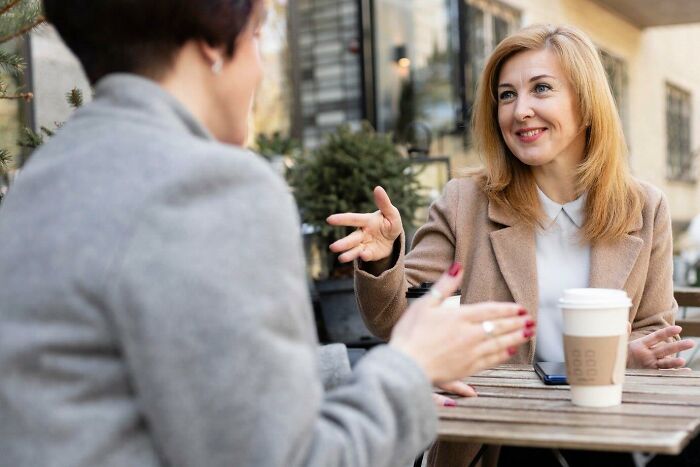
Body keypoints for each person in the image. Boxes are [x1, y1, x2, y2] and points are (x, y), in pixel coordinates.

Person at [0, 1, 535, 466]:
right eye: (257, 35)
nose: (259, 68)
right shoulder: (209, 185)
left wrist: (365, 367)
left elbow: (173, 394)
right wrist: (410, 370)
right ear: (215, 44)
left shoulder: (40, 183)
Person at [328, 24, 695, 466]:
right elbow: (399, 323)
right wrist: (385, 257)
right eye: (506, 95)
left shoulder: (644, 206)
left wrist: (629, 358)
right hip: (493, 442)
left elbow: (654, 331)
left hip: (601, 434)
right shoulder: (464, 202)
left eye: (541, 89)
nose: (520, 111)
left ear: (587, 104)